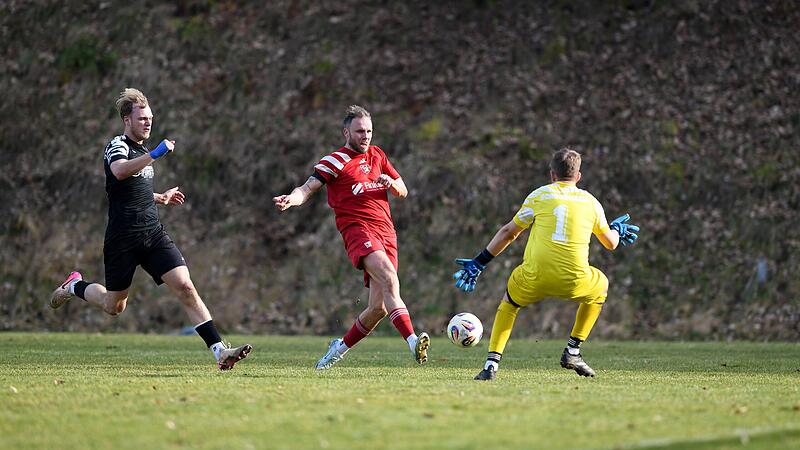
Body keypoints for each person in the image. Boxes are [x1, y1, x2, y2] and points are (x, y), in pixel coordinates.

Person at [50, 88, 252, 370]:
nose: (148, 123)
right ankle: (74, 285)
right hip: (123, 239)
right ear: (126, 120)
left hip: (153, 234)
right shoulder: (117, 146)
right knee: (114, 306)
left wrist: (160, 197)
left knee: (185, 285)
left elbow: (133, 188)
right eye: (142, 118)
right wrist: (157, 153)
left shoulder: (143, 151)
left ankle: (220, 351)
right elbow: (120, 172)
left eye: (150, 119)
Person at [452, 148, 639, 380]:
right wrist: (616, 230)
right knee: (601, 286)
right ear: (578, 176)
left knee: (509, 304)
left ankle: (491, 365)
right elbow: (610, 243)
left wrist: (480, 262)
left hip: (534, 277)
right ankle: (573, 350)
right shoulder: (591, 202)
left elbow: (509, 232)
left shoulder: (540, 196)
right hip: (575, 281)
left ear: (552, 175)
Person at [273, 105, 430, 370]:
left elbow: (403, 189)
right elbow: (308, 187)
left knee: (378, 308)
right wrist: (292, 199)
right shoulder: (334, 160)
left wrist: (391, 184)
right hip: (358, 230)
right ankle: (414, 341)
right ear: (346, 132)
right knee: (390, 278)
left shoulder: (378, 155)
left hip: (387, 232)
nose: (365, 136)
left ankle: (338, 348)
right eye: (359, 132)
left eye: (369, 131)